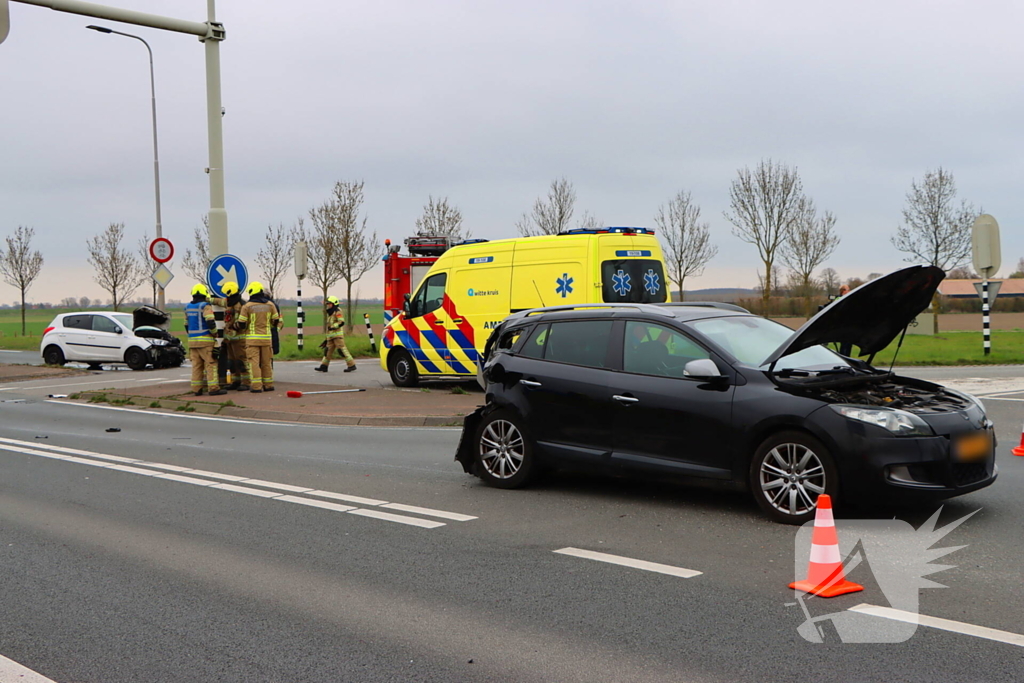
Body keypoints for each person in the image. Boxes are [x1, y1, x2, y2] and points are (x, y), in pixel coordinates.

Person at [236, 281, 283, 393]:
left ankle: (256, 386)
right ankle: (268, 385)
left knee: (254, 363)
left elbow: (241, 323)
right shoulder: (270, 305)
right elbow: (276, 320)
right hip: (266, 339)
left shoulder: (247, 306)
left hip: (252, 340)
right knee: (266, 363)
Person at [184, 283, 226, 396]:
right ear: (204, 294)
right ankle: (213, 388)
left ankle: (197, 389)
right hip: (205, 341)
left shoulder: (187, 307)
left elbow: (186, 325)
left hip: (192, 342)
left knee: (197, 366)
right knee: (210, 364)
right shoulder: (205, 306)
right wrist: (215, 334)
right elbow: (210, 322)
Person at [210, 281, 249, 391]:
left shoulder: (240, 306)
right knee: (232, 362)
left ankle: (246, 382)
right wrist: (208, 299)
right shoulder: (230, 303)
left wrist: (231, 330)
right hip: (230, 340)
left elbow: (241, 323)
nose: (226, 297)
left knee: (241, 361)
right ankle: (235, 381)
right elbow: (219, 302)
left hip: (239, 339)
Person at [316, 296, 356, 373]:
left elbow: (341, 322)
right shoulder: (331, 313)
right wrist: (326, 339)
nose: (328, 305)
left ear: (334, 304)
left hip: (337, 336)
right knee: (327, 351)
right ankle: (324, 366)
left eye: (330, 304)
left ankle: (351, 365)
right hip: (331, 336)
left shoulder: (338, 311)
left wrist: (333, 327)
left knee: (342, 350)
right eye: (328, 304)